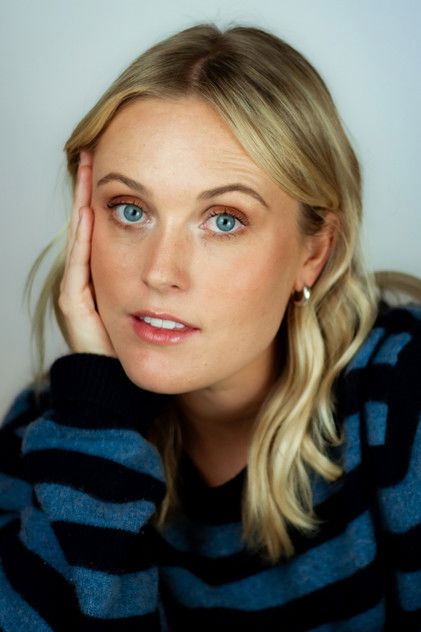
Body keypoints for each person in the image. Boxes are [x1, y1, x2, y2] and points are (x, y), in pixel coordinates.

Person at [0, 23, 420, 632]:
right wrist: (95, 421)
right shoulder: (52, 438)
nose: (159, 272)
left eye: (223, 220)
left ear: (313, 252)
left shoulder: (402, 396)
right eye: (130, 210)